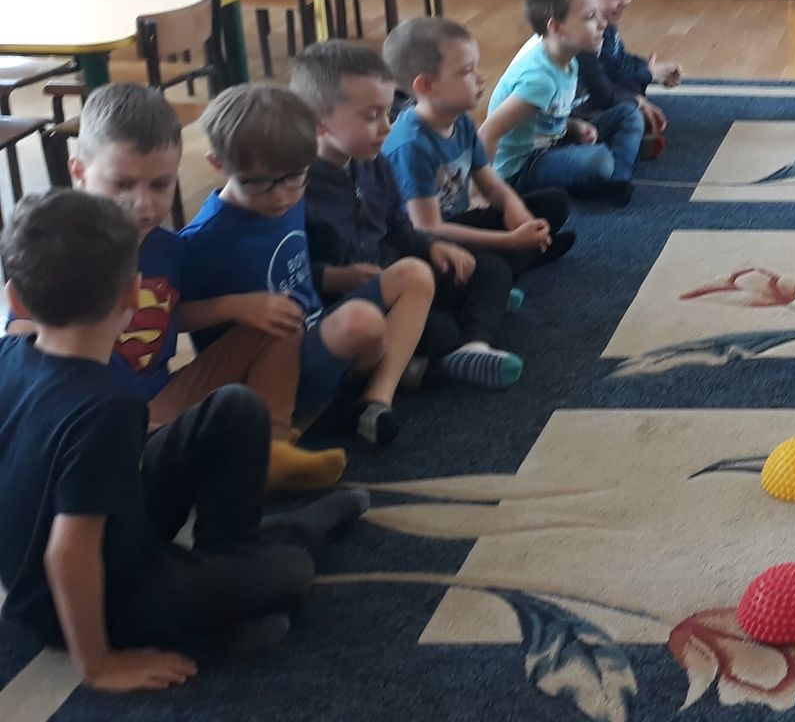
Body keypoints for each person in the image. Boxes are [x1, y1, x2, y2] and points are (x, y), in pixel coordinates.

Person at [0, 191, 367, 687]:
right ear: (134, 294)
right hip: (95, 599)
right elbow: (68, 555)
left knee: (236, 407)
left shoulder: (9, 353)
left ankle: (230, 565)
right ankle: (262, 568)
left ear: (15, 300)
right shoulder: (105, 408)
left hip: (101, 541)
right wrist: (98, 665)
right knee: (292, 571)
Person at [3, 85, 344, 493]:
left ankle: (272, 447)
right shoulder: (60, 248)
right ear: (79, 172)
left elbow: (169, 314)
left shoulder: (170, 248)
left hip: (162, 402)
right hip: (94, 423)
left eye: (160, 185)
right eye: (122, 185)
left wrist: (236, 306)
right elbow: (20, 342)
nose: (143, 204)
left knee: (279, 319)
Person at [180, 84, 433, 448]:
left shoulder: (292, 194)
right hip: (265, 378)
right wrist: (236, 307)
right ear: (219, 164)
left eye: (295, 178)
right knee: (363, 321)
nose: (283, 196)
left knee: (413, 274)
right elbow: (172, 318)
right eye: (261, 184)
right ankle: (376, 370)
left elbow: (298, 266)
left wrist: (336, 277)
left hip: (315, 331)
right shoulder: (203, 239)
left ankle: (376, 399)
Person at [293, 41, 523, 392]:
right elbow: (290, 273)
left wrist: (431, 247)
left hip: (398, 272)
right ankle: (444, 350)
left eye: (387, 112)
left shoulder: (373, 163)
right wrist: (333, 277)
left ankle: (473, 344)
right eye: (371, 116)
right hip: (352, 303)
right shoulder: (295, 188)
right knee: (440, 330)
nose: (386, 127)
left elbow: (398, 225)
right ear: (319, 122)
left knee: (490, 268)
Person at [382, 15, 575, 274]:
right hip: (421, 247)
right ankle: (519, 257)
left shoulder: (461, 121)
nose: (480, 78)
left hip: (454, 224)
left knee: (555, 202)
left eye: (476, 67)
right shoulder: (412, 146)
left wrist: (515, 210)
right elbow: (428, 228)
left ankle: (522, 254)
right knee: (492, 269)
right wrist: (510, 240)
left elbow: (491, 185)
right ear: (427, 86)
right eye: (466, 71)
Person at [481, 0, 640, 205]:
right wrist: (482, 193)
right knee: (599, 160)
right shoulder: (539, 80)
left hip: (554, 141)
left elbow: (547, 115)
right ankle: (605, 175)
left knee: (628, 115)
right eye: (590, 17)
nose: (603, 23)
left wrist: (573, 126)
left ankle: (615, 180)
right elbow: (487, 133)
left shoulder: (567, 57)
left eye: (599, 14)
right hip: (523, 167)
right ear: (556, 28)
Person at [565, 0, 681, 151]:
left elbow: (617, 64)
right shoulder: (578, 34)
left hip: (599, 93)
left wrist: (649, 71)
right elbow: (600, 88)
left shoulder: (604, 19)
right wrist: (634, 98)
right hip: (574, 111)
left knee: (631, 88)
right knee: (630, 113)